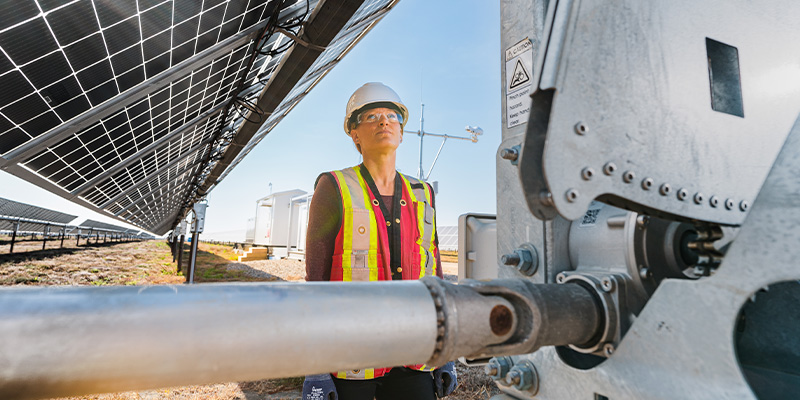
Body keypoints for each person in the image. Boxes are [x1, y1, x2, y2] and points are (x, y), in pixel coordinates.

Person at [301, 83, 458, 400]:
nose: (384, 121)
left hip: (415, 351)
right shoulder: (333, 186)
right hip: (351, 354)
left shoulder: (423, 193)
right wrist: (315, 368)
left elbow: (435, 275)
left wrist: (446, 354)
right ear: (355, 134)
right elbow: (315, 281)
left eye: (391, 116)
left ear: (401, 131)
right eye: (371, 116)